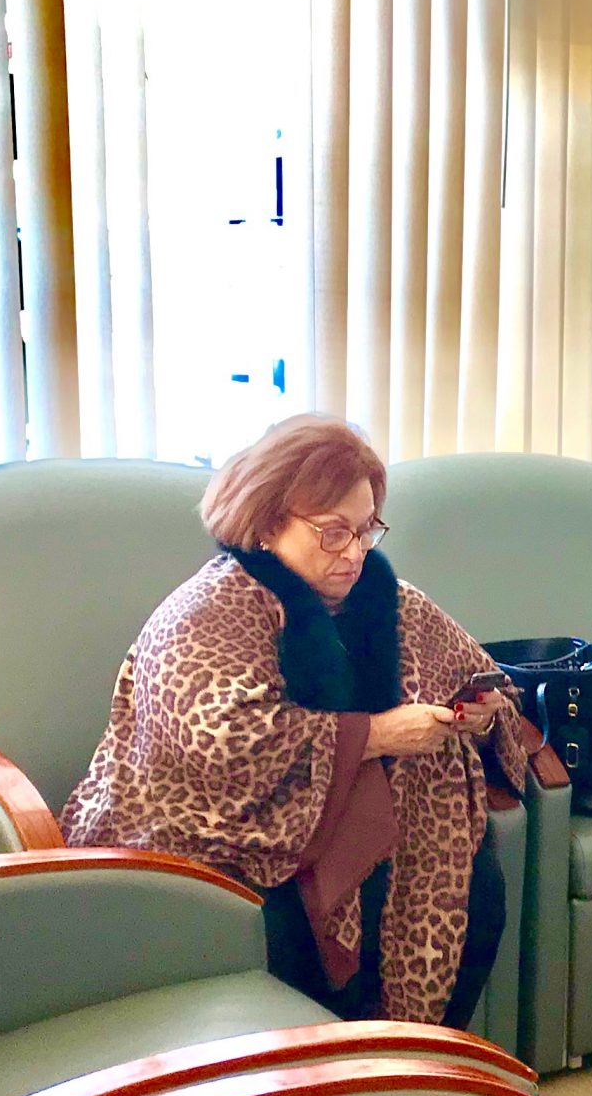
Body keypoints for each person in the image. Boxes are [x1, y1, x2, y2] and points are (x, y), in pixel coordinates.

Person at [64, 414, 535, 1027]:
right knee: (294, 920)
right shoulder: (207, 612)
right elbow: (223, 743)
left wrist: (480, 714)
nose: (355, 553)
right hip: (223, 840)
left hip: (379, 827)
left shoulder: (390, 599)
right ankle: (338, 1075)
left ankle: (411, 1069)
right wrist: (377, 735)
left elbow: (482, 675)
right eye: (333, 532)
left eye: (366, 530)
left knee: (474, 875)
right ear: (267, 523)